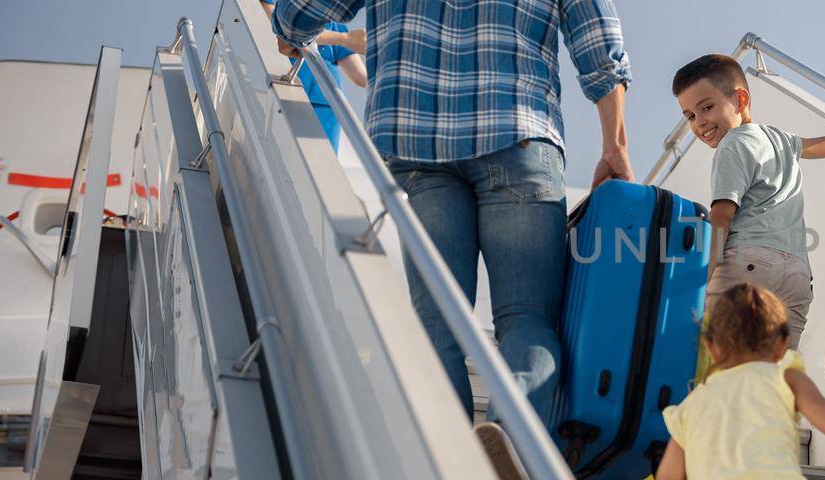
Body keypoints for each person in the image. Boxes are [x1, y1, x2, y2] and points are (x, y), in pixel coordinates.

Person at [270, 0, 634, 433]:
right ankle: (508, 447)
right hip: (518, 136)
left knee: (436, 325)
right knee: (527, 321)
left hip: (415, 145)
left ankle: (448, 458)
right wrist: (615, 146)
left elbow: (297, 14)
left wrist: (292, 36)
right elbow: (599, 43)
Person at [671, 53, 825, 347]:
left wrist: (698, 281)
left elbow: (722, 217)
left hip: (747, 264)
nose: (699, 122)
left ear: (740, 100)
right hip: (796, 277)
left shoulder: (732, 145)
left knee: (709, 359)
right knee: (771, 378)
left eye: (706, 108)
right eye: (690, 116)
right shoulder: (781, 140)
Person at [656, 283, 825, 480]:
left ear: (710, 347)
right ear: (782, 345)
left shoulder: (692, 404)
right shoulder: (785, 376)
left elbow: (667, 477)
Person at [259, 0, 366, 151]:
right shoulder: (281, 6)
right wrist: (345, 39)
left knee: (321, 166)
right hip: (283, 94)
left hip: (326, 106)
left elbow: (361, 77)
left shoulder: (336, 26)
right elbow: (284, 29)